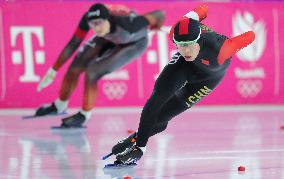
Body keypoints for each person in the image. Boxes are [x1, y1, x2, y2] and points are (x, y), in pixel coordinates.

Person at [109, 4, 255, 165]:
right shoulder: (175, 32)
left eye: (188, 45)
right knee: (157, 99)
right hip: (184, 67)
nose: (184, 50)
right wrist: (140, 145)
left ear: (198, 39)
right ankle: (139, 147)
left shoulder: (222, 49)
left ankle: (136, 137)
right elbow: (203, 9)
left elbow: (251, 35)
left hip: (208, 79)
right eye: (180, 45)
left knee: (163, 117)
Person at [35, 3, 165, 128]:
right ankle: (60, 105)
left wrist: (157, 25)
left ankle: (84, 115)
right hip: (108, 36)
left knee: (92, 72)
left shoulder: (129, 24)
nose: (96, 28)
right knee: (76, 66)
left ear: (108, 19)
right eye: (93, 24)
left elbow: (160, 14)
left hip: (134, 43)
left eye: (99, 23)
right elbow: (73, 43)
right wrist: (53, 70)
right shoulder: (90, 19)